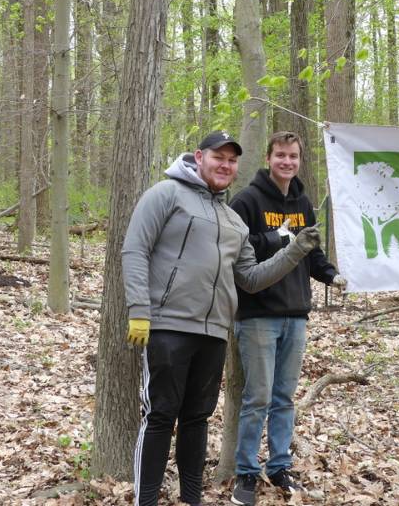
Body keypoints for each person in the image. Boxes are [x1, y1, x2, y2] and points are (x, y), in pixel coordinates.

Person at [122, 130, 322, 506]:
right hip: (166, 325)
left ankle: (191, 499)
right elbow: (135, 249)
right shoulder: (165, 195)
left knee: (197, 419)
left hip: (214, 331)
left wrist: (296, 251)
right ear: (200, 157)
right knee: (161, 415)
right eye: (219, 158)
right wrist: (139, 310)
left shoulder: (232, 220)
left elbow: (251, 279)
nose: (225, 165)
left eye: (232, 161)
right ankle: (145, 501)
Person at [228, 131, 346, 506]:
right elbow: (240, 258)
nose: (287, 162)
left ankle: (280, 465)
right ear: (268, 157)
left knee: (284, 398)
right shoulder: (246, 201)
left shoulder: (303, 202)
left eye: (293, 156)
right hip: (258, 315)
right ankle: (246, 473)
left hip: (296, 315)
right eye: (281, 155)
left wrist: (331, 275)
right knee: (257, 397)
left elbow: (312, 253)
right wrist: (277, 242)